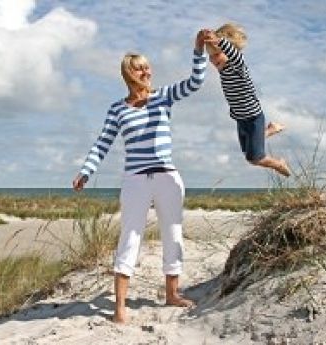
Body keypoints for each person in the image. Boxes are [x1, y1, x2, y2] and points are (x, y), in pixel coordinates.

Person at [72, 30, 208, 323]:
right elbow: (103, 142)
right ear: (128, 73)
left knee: (173, 236)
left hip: (168, 178)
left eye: (148, 66)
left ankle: (172, 294)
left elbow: (195, 82)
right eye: (140, 67)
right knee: (129, 237)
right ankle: (119, 307)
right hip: (134, 179)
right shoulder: (117, 109)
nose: (147, 71)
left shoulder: (163, 97)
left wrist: (198, 50)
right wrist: (86, 171)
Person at [204, 23, 290, 177]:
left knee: (255, 158)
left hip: (253, 118)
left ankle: (279, 164)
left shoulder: (238, 66)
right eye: (210, 56)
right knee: (248, 152)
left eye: (216, 54)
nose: (212, 59)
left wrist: (220, 41)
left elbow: (235, 55)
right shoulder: (223, 71)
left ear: (229, 51)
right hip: (240, 119)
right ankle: (271, 129)